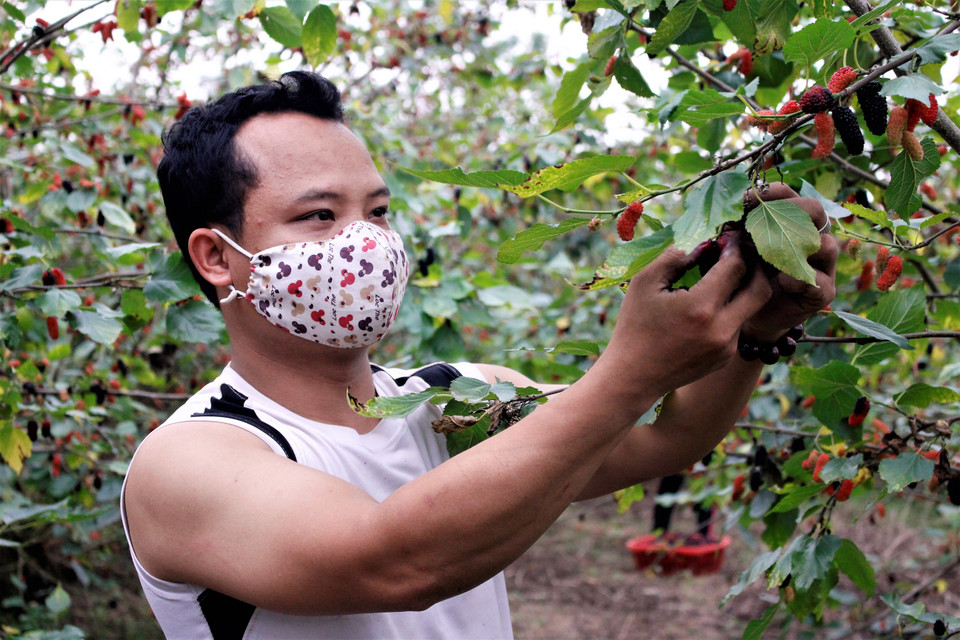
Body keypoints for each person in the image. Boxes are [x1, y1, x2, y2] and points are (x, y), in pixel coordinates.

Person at [120, 70, 838, 639]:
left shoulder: (456, 399)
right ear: (216, 256)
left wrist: (753, 324)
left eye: (377, 212)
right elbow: (397, 560)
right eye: (319, 215)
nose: (366, 242)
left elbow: (668, 438)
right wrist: (630, 369)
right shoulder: (190, 460)